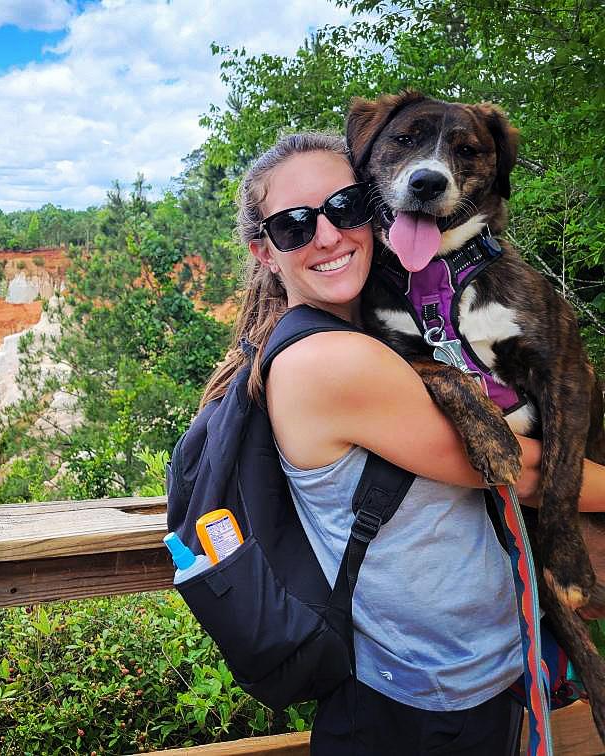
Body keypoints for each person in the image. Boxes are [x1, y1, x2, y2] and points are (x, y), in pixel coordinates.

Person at [199, 132, 605, 755]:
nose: (329, 235)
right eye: (294, 226)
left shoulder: (357, 333)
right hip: (421, 705)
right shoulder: (332, 362)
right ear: (264, 251)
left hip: (452, 680)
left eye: (345, 207)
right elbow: (515, 471)